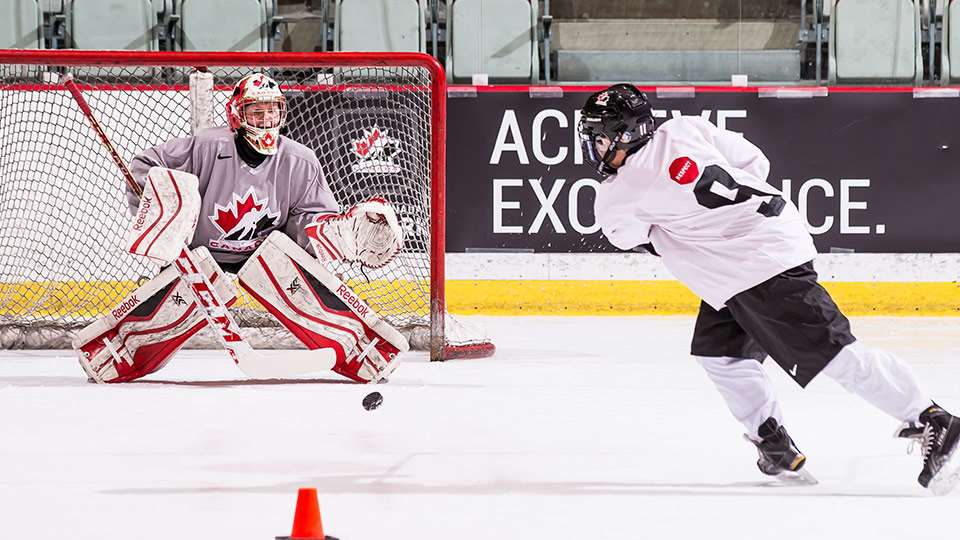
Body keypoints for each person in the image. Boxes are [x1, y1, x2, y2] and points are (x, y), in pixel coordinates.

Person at [578, 83, 959, 495]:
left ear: (627, 134)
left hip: (756, 267)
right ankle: (772, 443)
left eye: (600, 136)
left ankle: (930, 417)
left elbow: (634, 237)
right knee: (718, 353)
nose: (595, 146)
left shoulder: (617, 196)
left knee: (835, 354)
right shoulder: (684, 128)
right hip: (755, 253)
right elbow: (753, 162)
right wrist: (731, 223)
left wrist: (718, 233)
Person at [74, 73, 407, 385]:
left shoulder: (299, 161)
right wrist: (166, 211)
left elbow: (308, 221)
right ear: (236, 116)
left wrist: (338, 234)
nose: (265, 121)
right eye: (256, 112)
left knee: (283, 261)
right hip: (200, 255)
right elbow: (144, 167)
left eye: (272, 112)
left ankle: (357, 347)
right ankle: (120, 350)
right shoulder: (206, 146)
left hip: (267, 256)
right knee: (199, 273)